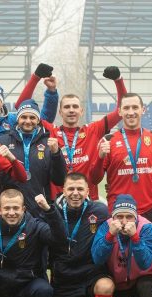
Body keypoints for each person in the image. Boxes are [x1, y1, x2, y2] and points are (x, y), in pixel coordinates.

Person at [48, 173, 112, 297]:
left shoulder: (100, 211)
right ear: (63, 190)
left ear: (87, 191)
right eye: (71, 189)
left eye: (80, 189)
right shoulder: (53, 212)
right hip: (65, 280)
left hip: (92, 275)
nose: (75, 193)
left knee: (106, 287)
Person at [45, 66, 127, 200]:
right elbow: (26, 112)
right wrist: (51, 91)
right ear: (60, 112)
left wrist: (118, 80)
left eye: (75, 106)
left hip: (88, 203)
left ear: (81, 111)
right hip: (59, 203)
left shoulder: (93, 130)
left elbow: (120, 111)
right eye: (67, 107)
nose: (71, 110)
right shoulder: (51, 131)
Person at [90, 94, 152, 222]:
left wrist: (147, 179)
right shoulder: (108, 140)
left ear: (143, 110)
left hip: (147, 208)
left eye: (135, 107)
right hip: (118, 210)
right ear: (119, 111)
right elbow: (94, 179)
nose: (131, 112)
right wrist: (100, 157)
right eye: (126, 108)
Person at [0, 100, 66, 218]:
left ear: (38, 120)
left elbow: (59, 180)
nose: (28, 121)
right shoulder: (3, 140)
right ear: (18, 119)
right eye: (24, 117)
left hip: (40, 208)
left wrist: (56, 154)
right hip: (11, 209)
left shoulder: (48, 142)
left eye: (32, 117)